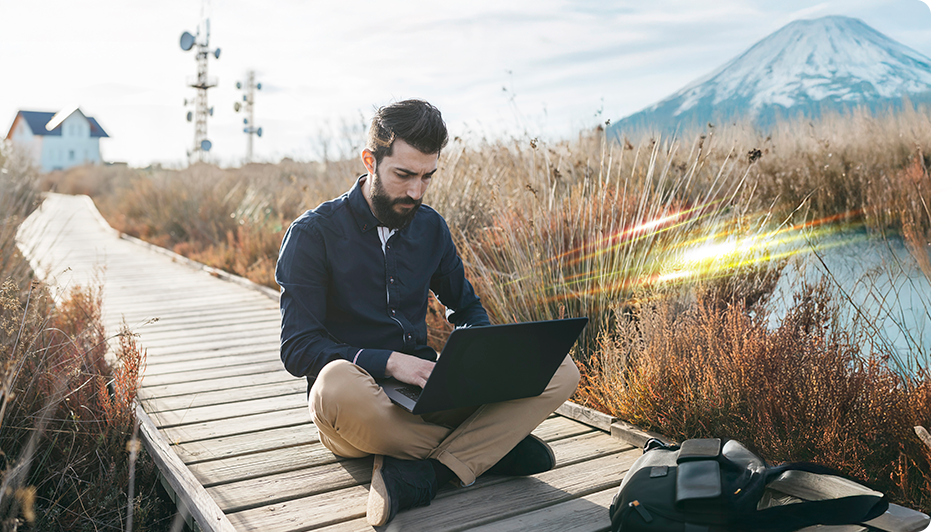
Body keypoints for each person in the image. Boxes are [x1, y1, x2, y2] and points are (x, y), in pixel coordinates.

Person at [275, 99, 580, 526]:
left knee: (561, 368)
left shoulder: (431, 227)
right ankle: (487, 452)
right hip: (359, 407)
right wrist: (391, 362)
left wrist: (479, 352)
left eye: (427, 176)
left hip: (428, 395)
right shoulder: (312, 234)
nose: (416, 192)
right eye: (403, 175)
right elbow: (299, 348)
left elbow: (466, 305)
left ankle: (431, 473)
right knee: (334, 383)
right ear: (370, 161)